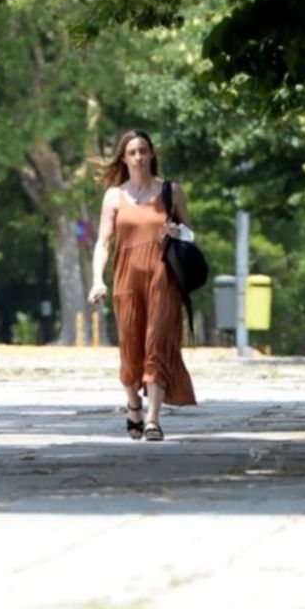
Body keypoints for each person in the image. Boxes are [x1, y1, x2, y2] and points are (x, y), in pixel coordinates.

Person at [88, 130, 197, 441]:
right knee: (131, 346)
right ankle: (134, 404)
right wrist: (98, 280)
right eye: (132, 152)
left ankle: (152, 419)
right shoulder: (113, 196)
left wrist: (178, 231)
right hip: (127, 279)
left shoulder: (170, 192)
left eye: (143, 151)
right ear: (123, 157)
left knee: (158, 342)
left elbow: (191, 233)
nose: (138, 157)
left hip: (164, 276)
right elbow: (103, 243)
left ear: (151, 155)